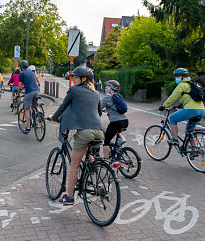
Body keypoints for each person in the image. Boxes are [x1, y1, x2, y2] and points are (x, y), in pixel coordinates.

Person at [48, 66, 104, 205]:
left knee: (74, 165)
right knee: (86, 152)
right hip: (99, 130)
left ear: (84, 79)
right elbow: (99, 113)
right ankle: (92, 170)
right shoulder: (96, 93)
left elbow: (62, 107)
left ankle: (69, 197)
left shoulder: (74, 91)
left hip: (84, 132)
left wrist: (54, 118)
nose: (73, 80)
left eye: (76, 78)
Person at [160, 68, 205, 145]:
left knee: (172, 118)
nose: (176, 78)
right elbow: (188, 97)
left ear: (183, 77)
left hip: (191, 109)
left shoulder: (182, 85)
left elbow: (173, 97)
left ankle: (175, 139)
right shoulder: (192, 84)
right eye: (175, 76)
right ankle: (194, 150)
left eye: (177, 76)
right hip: (201, 110)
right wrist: (180, 105)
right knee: (189, 130)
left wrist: (164, 106)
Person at [101, 80, 128, 159]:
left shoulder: (108, 96)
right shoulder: (118, 96)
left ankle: (107, 161)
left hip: (116, 122)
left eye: (107, 86)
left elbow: (98, 107)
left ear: (110, 88)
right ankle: (119, 142)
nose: (105, 88)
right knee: (114, 132)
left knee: (106, 142)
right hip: (125, 121)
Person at [18, 60, 40, 133]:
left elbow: (20, 86)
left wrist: (18, 94)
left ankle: (28, 126)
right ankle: (37, 118)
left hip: (29, 92)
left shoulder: (22, 74)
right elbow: (32, 83)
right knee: (33, 107)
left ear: (21, 67)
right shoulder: (32, 72)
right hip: (37, 91)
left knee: (26, 109)